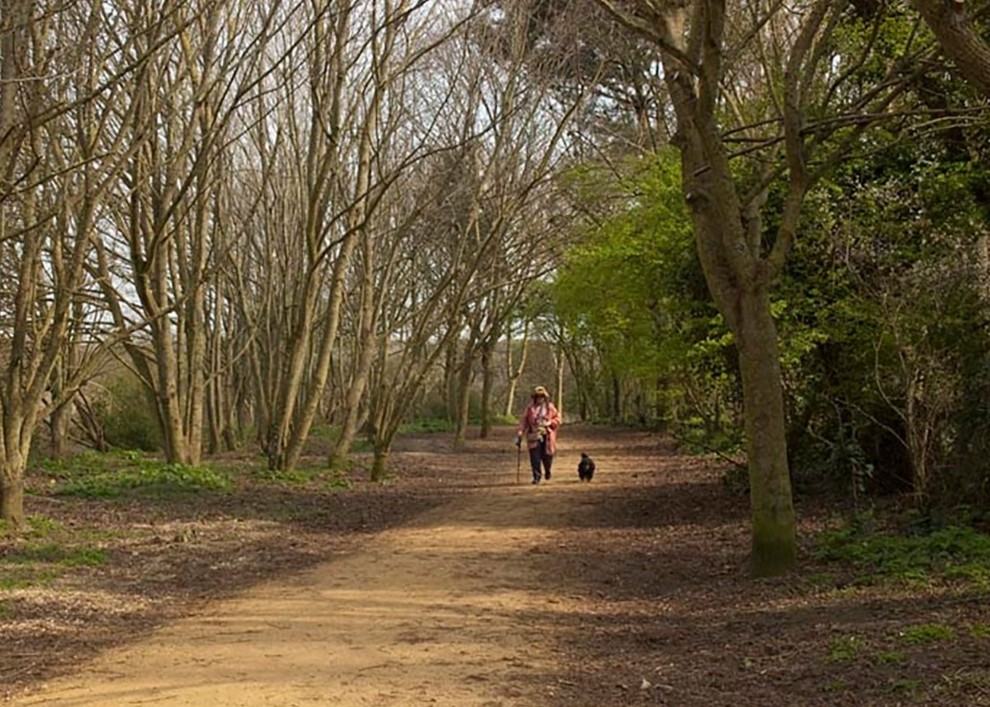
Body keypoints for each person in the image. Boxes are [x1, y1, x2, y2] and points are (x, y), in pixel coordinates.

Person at [515, 386, 561, 484]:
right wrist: (520, 432)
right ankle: (536, 477)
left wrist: (550, 423)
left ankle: (547, 470)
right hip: (534, 435)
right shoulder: (530, 408)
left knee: (547, 456)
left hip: (547, 435)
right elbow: (524, 421)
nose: (540, 398)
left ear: (545, 397)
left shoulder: (550, 407)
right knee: (534, 457)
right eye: (537, 397)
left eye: (542, 396)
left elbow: (558, 419)